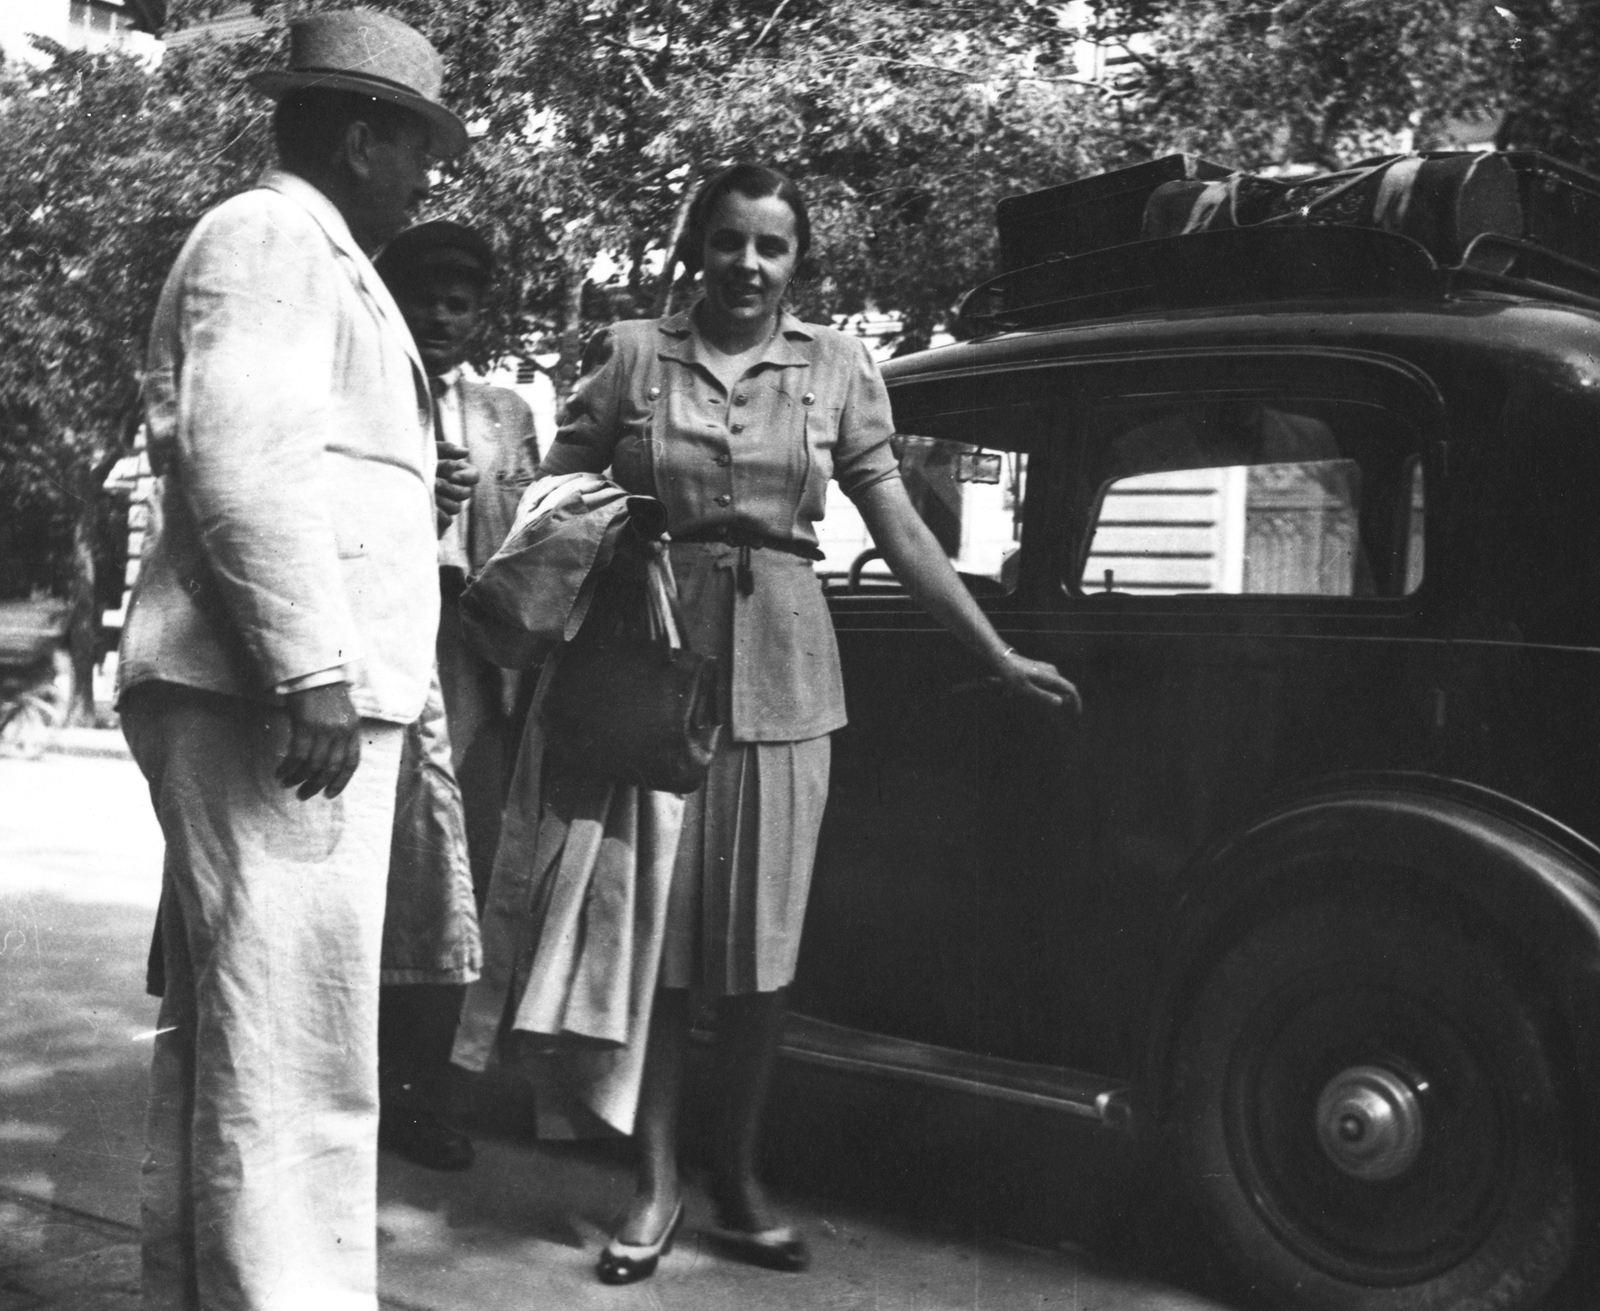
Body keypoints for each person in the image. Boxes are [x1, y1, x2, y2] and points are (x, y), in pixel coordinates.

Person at [533, 163, 1080, 1283]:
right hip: (656, 665)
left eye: (770, 247)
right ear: (699, 250)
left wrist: (995, 651)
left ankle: (735, 1174)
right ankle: (656, 1181)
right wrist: (604, 533)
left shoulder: (837, 367)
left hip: (786, 673)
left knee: (759, 957)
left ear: (797, 262)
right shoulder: (637, 353)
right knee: (660, 951)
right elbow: (555, 488)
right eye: (728, 240)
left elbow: (902, 525)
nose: (747, 264)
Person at [114, 11, 467, 1309]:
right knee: (296, 1045)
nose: (428, 177)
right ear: (364, 135)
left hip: (288, 694)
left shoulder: (321, 257)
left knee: (246, 1033)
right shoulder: (268, 238)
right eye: (418, 146)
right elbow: (243, 460)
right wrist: (310, 667)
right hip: (271, 698)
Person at [371, 221, 541, 1171]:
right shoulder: (367, 388)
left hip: (476, 657)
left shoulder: (506, 413)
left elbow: (529, 534)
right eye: (426, 296)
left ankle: (424, 1091)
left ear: (482, 313)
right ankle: (360, 1085)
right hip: (389, 648)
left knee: (459, 879)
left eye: (460, 300)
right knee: (383, 878)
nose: (441, 315)